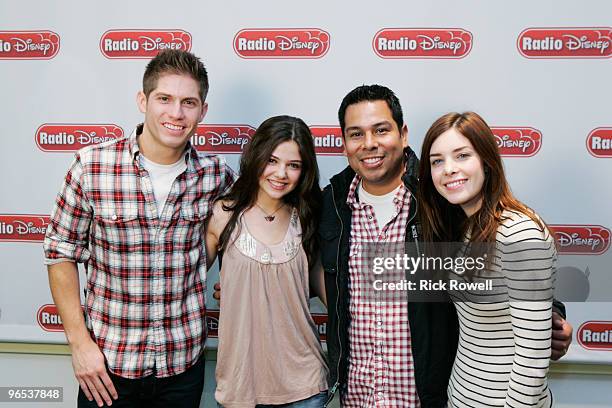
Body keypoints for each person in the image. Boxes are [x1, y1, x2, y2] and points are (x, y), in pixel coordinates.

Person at [317, 85, 573, 407]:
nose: (369, 144)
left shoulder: (440, 200)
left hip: (427, 396)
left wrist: (553, 315)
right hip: (357, 396)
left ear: (403, 134)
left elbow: (511, 270)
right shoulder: (330, 207)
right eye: (356, 134)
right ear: (344, 145)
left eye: (381, 130)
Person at [43, 49, 235, 408]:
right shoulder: (92, 166)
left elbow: (241, 235)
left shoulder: (217, 175)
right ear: (142, 100)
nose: (176, 113)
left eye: (189, 102)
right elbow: (59, 254)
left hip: (182, 366)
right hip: (107, 366)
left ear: (203, 111)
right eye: (165, 99)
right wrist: (80, 345)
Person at [418, 112, 555, 407]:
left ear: (486, 161)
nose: (449, 169)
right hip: (460, 397)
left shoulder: (518, 232)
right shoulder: (464, 228)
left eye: (462, 155)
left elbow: (533, 358)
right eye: (437, 161)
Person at [205, 115, 328, 407]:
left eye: (293, 165)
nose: (281, 173)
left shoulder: (308, 218)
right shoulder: (223, 213)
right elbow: (181, 281)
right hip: (241, 384)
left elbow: (333, 296)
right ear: (256, 156)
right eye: (272, 161)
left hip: (305, 384)